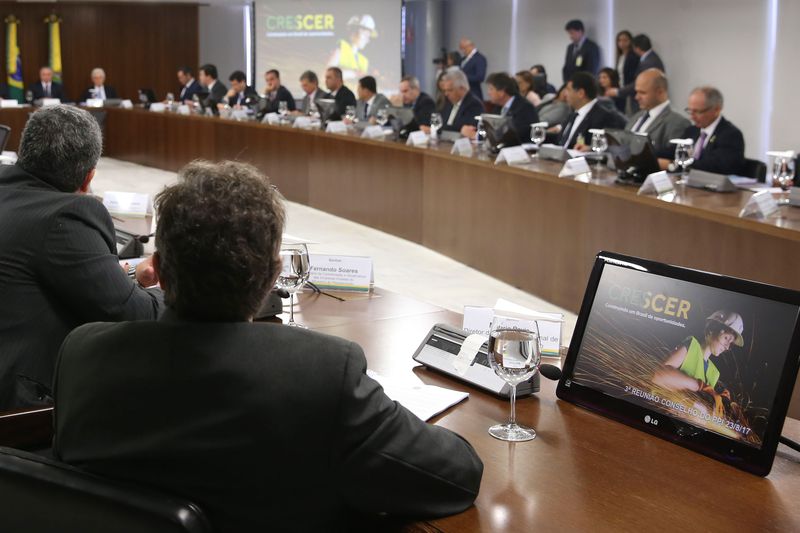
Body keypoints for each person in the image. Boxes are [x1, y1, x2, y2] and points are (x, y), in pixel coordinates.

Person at [53, 160, 484, 532]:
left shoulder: (82, 354)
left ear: (160, 271)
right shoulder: (321, 374)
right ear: (272, 274)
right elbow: (455, 476)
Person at [0, 105, 162, 410]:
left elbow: (44, 269)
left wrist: (129, 276)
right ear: (88, 179)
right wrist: (178, 288)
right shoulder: (67, 214)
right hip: (21, 410)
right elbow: (136, 317)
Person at [653, 310, 744, 417]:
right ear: (712, 329)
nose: (727, 346)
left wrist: (717, 400)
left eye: (730, 343)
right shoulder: (691, 346)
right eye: (726, 338)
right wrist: (699, 385)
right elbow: (659, 376)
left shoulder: (713, 373)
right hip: (660, 412)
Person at [657, 86, 745, 175]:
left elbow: (713, 166)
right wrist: (651, 154)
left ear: (716, 109)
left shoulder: (730, 135)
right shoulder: (692, 130)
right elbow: (673, 151)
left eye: (697, 112)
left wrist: (672, 164)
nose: (692, 117)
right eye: (690, 111)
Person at [625, 69, 690, 155]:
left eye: (642, 93)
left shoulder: (677, 123)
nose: (637, 97)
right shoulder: (636, 117)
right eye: (637, 92)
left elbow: (671, 157)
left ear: (660, 92)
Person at [555, 72, 626, 149]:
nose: (565, 94)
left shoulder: (604, 117)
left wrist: (590, 149)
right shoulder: (573, 114)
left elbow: (610, 147)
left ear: (581, 93)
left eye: (568, 90)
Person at [461, 72, 539, 142]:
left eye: (491, 89)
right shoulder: (498, 107)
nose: (488, 93)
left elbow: (511, 136)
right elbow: (489, 129)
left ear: (502, 92)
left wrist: (476, 135)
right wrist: (475, 132)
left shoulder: (525, 108)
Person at [606, 34, 665, 108]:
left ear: (637, 48)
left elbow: (640, 83)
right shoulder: (651, 57)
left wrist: (618, 92)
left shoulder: (648, 62)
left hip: (648, 99)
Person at [328, 14, 377, 86]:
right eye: (366, 34)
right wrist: (354, 73)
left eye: (368, 36)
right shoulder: (340, 50)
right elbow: (327, 76)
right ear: (354, 31)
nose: (367, 40)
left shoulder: (363, 61)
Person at [439, 67, 484, 133]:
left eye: (450, 90)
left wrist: (441, 129)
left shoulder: (474, 104)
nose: (446, 94)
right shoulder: (448, 101)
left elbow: (466, 129)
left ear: (462, 88)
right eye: (445, 90)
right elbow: (441, 123)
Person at [561, 20, 600, 84]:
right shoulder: (570, 47)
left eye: (572, 33)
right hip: (570, 84)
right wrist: (567, 82)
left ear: (580, 31)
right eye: (569, 33)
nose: (570, 36)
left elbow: (592, 70)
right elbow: (566, 67)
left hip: (584, 84)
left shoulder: (591, 47)